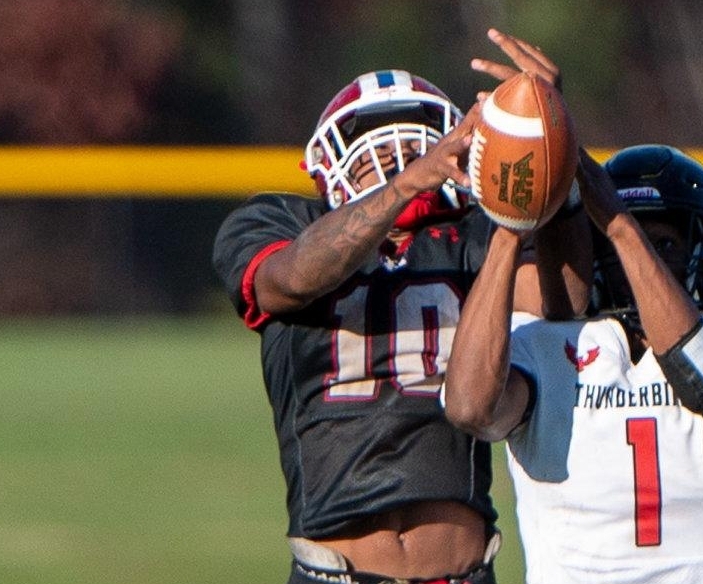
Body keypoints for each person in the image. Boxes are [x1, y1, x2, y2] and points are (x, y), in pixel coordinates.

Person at [212, 29, 589, 584]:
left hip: (461, 570)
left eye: (415, 145)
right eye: (374, 146)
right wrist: (412, 182)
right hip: (337, 572)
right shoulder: (279, 222)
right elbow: (285, 281)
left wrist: (552, 138)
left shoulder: (475, 232)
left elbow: (563, 303)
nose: (400, 156)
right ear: (328, 160)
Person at [443, 145, 703, 584]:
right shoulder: (546, 341)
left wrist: (620, 228)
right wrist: (509, 231)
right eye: (619, 243)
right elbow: (469, 408)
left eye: (664, 244)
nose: (642, 257)